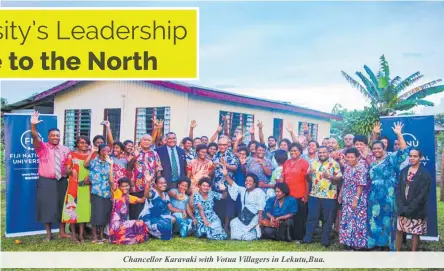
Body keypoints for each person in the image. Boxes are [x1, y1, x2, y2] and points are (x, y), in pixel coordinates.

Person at [367, 122, 408, 251]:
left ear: (384, 148)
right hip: (374, 196)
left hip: (388, 196)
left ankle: (388, 245)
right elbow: (374, 144)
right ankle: (376, 244)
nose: (376, 150)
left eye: (379, 148)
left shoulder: (391, 159)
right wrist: (375, 133)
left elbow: (404, 151)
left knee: (388, 221)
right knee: (374, 220)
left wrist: (399, 134)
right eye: (374, 149)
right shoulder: (372, 161)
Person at [31, 111, 71, 242]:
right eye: (53, 135)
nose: (55, 137)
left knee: (62, 206)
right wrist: (33, 126)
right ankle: (48, 234)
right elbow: (35, 138)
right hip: (46, 181)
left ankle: (62, 232)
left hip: (62, 181)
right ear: (48, 136)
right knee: (46, 206)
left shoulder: (65, 149)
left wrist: (70, 170)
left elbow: (68, 165)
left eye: (57, 135)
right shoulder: (42, 147)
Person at [303, 146, 342, 247]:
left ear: (328, 153)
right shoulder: (313, 163)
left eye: (324, 152)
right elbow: (307, 178)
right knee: (311, 217)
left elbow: (339, 178)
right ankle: (307, 238)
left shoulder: (334, 164)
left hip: (329, 196)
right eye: (320, 153)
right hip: (314, 195)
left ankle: (325, 241)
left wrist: (330, 176)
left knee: (328, 220)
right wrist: (308, 174)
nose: (322, 154)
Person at [396, 148, 432, 251]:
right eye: (410, 156)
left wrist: (410, 208)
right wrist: (401, 206)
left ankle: (413, 255)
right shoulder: (404, 171)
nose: (412, 158)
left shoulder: (425, 174)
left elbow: (422, 195)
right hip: (403, 208)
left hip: (417, 209)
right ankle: (397, 252)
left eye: (415, 156)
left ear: (420, 158)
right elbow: (398, 189)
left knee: (415, 233)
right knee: (399, 230)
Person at [62, 136, 92, 243]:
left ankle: (81, 235)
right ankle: (74, 235)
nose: (84, 145)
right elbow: (67, 170)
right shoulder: (72, 155)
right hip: (73, 186)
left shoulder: (91, 156)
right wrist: (71, 170)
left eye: (86, 143)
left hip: (86, 187)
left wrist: (90, 177)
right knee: (72, 210)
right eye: (81, 143)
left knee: (83, 211)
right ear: (77, 144)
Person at [339, 148, 369, 250]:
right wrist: (340, 194)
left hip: (357, 198)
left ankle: (358, 244)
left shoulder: (361, 168)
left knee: (357, 221)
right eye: (348, 157)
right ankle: (347, 242)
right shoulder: (347, 167)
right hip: (347, 197)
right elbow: (345, 182)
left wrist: (356, 199)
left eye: (352, 157)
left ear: (358, 157)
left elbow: (360, 185)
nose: (349, 159)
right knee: (347, 219)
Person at [127, 134, 163, 219]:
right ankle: (135, 229)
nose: (146, 142)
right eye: (145, 140)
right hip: (135, 186)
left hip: (150, 186)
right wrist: (135, 157)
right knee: (136, 211)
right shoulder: (134, 152)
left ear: (151, 142)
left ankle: (147, 230)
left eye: (149, 140)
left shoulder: (154, 153)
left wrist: (158, 185)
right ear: (141, 141)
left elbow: (158, 169)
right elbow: (128, 167)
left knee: (148, 210)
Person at [225, 169, 266, 241]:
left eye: (250, 181)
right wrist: (226, 175)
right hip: (244, 216)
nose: (247, 182)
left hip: (254, 217)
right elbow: (233, 185)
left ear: (255, 183)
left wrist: (260, 221)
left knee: (246, 235)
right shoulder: (243, 190)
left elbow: (261, 207)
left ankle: (253, 234)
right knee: (233, 222)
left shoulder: (259, 191)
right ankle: (243, 236)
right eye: (246, 180)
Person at [84, 144, 113, 244]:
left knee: (104, 214)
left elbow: (111, 178)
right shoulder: (94, 162)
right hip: (96, 191)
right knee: (96, 215)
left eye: (109, 151)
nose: (108, 153)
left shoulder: (109, 162)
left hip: (107, 192)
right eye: (106, 151)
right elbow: (85, 164)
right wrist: (92, 152)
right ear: (101, 152)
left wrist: (111, 164)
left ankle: (101, 235)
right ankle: (94, 237)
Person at [109, 177, 149, 245]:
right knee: (136, 225)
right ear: (119, 187)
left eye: (126, 186)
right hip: (115, 226)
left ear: (129, 186)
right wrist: (111, 165)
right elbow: (111, 181)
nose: (124, 188)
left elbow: (143, 200)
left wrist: (148, 183)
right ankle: (121, 238)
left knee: (140, 223)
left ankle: (132, 238)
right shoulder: (117, 192)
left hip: (124, 224)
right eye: (122, 186)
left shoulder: (129, 197)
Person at [282, 142, 309, 241]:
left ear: (300, 152)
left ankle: (299, 237)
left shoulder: (305, 163)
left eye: (295, 151)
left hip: (300, 194)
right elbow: (283, 177)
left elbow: (307, 180)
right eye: (291, 151)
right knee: (289, 216)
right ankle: (289, 236)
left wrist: (306, 195)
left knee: (299, 217)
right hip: (288, 195)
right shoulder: (287, 163)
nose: (293, 152)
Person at [213, 137, 239, 233]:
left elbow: (235, 167)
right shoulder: (215, 154)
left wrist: (225, 165)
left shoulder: (232, 155)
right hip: (216, 184)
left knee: (228, 206)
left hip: (228, 184)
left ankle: (226, 226)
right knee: (218, 205)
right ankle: (219, 225)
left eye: (224, 144)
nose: (222, 146)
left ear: (228, 145)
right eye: (220, 144)